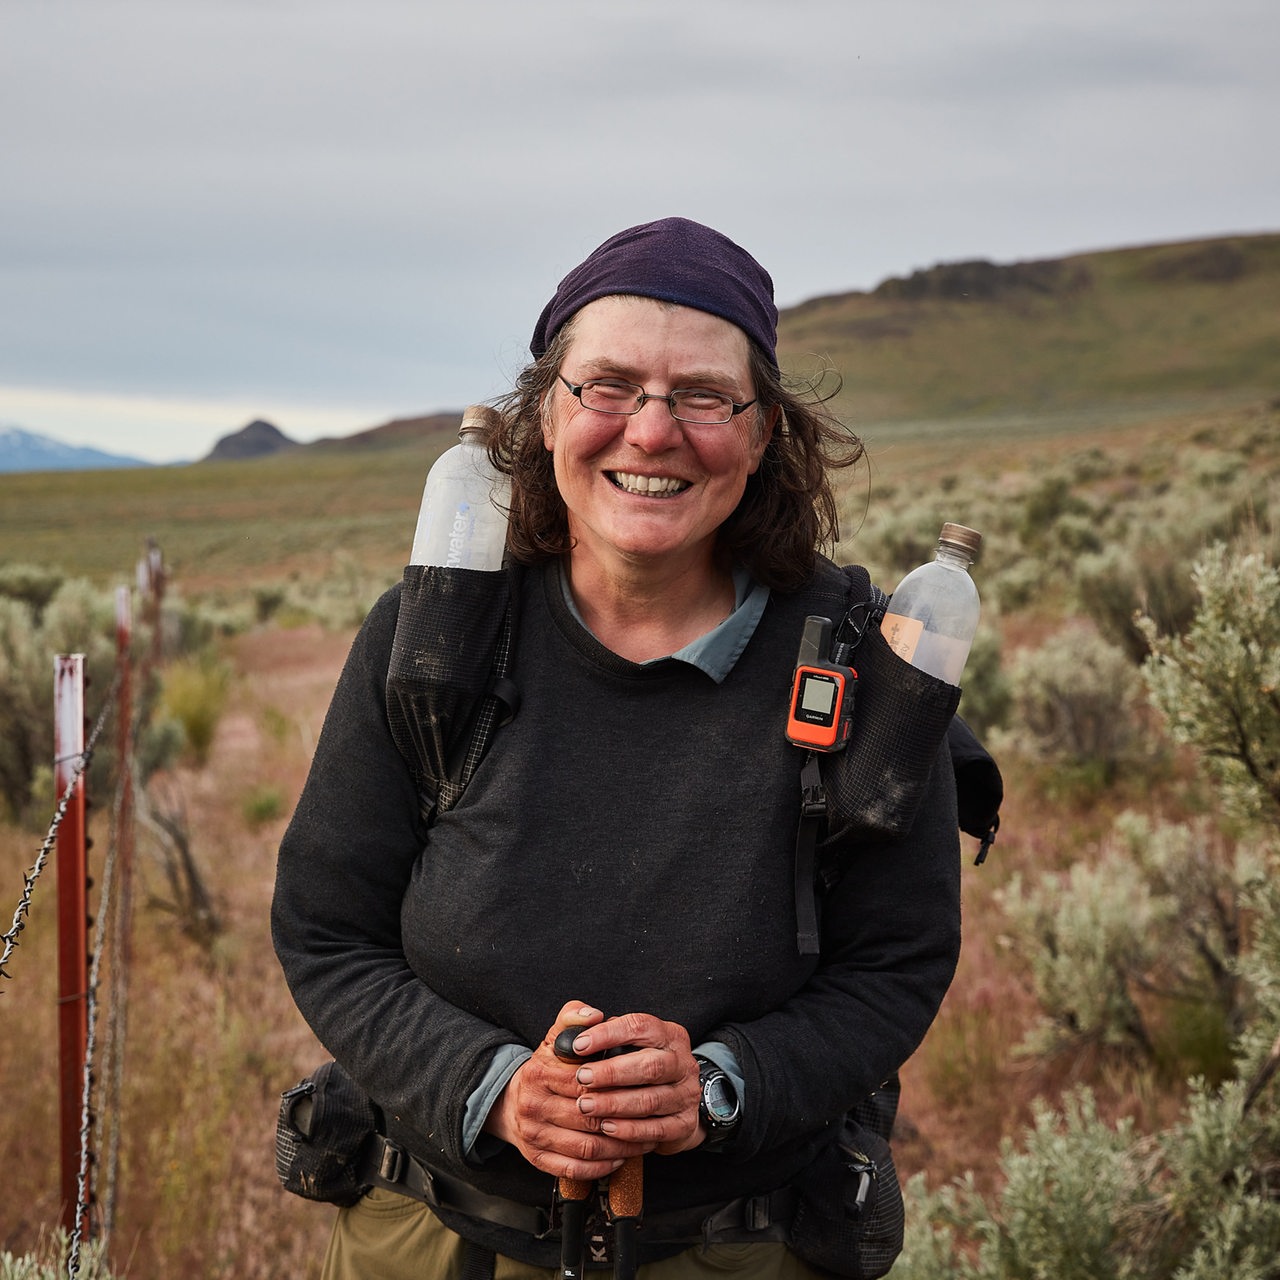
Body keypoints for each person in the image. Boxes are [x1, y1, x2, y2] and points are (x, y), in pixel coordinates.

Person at [272, 216, 962, 1279]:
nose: (649, 432)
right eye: (607, 385)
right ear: (545, 412)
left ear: (763, 429)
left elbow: (897, 960)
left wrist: (722, 1085)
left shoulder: (859, 663)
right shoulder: (433, 642)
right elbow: (326, 928)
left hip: (740, 1243)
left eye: (700, 396)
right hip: (435, 1237)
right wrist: (490, 1084)